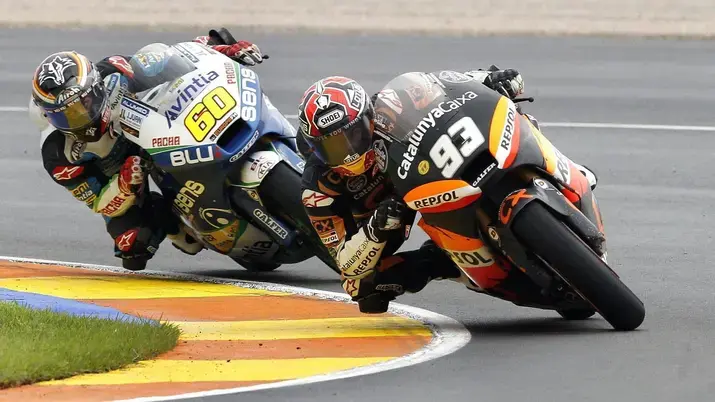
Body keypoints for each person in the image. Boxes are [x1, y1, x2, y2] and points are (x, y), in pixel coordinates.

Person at [296, 67, 599, 313]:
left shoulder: (391, 105)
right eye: (332, 147)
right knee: (360, 287)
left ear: (368, 116)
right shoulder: (317, 188)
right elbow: (345, 264)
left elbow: (447, 84)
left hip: (427, 174)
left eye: (353, 135)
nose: (348, 151)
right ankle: (449, 263)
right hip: (386, 222)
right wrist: (376, 229)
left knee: (520, 117)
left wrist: (491, 79)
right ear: (313, 148)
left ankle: (560, 168)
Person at [29, 29, 265, 270]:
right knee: (134, 247)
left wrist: (220, 50)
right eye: (65, 116)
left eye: (83, 104)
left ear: (96, 86)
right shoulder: (57, 154)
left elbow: (167, 60)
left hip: (156, 130)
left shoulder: (112, 71)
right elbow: (98, 201)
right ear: (48, 115)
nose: (79, 117)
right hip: (122, 174)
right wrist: (124, 185)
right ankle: (174, 219)